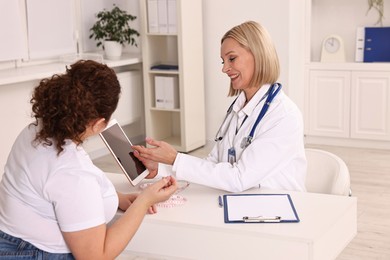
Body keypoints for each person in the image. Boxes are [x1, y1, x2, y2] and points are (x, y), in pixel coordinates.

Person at [0, 60, 178, 259]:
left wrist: (117, 197)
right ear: (98, 123)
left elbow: (52, 189)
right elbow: (95, 257)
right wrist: (144, 201)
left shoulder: (36, 130)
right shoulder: (71, 173)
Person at [132, 21, 306, 193]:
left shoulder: (284, 116)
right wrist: (161, 169)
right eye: (223, 61)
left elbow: (239, 178)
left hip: (278, 209)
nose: (224, 69)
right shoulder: (238, 109)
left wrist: (176, 158)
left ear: (258, 54)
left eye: (232, 58)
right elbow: (214, 164)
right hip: (244, 201)